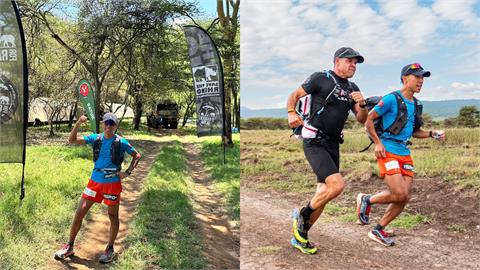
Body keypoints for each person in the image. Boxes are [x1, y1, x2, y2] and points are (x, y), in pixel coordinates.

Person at [287, 47, 368, 254]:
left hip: (333, 144)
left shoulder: (353, 87)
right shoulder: (320, 78)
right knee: (337, 185)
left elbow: (361, 119)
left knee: (324, 193)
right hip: (314, 140)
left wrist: (362, 103)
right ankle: (302, 216)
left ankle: (301, 236)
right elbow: (294, 95)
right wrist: (290, 113)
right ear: (337, 61)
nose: (353, 65)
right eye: (349, 61)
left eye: (356, 63)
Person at [356, 63, 445, 246]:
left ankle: (377, 228)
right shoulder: (391, 99)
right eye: (417, 77)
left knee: (404, 196)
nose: (421, 81)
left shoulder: (417, 105)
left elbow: (415, 131)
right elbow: (368, 121)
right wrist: (378, 143)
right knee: (400, 192)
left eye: (422, 78)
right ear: (405, 79)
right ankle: (367, 200)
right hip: (387, 149)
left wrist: (431, 133)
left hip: (404, 152)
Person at [54, 113, 141, 263]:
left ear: (115, 125)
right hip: (94, 182)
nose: (108, 126)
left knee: (112, 216)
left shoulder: (121, 141)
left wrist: (127, 173)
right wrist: (78, 124)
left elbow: (137, 155)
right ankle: (69, 246)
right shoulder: (96, 138)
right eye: (106, 123)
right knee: (79, 212)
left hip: (112, 184)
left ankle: (109, 249)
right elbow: (71, 140)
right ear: (102, 124)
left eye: (111, 123)